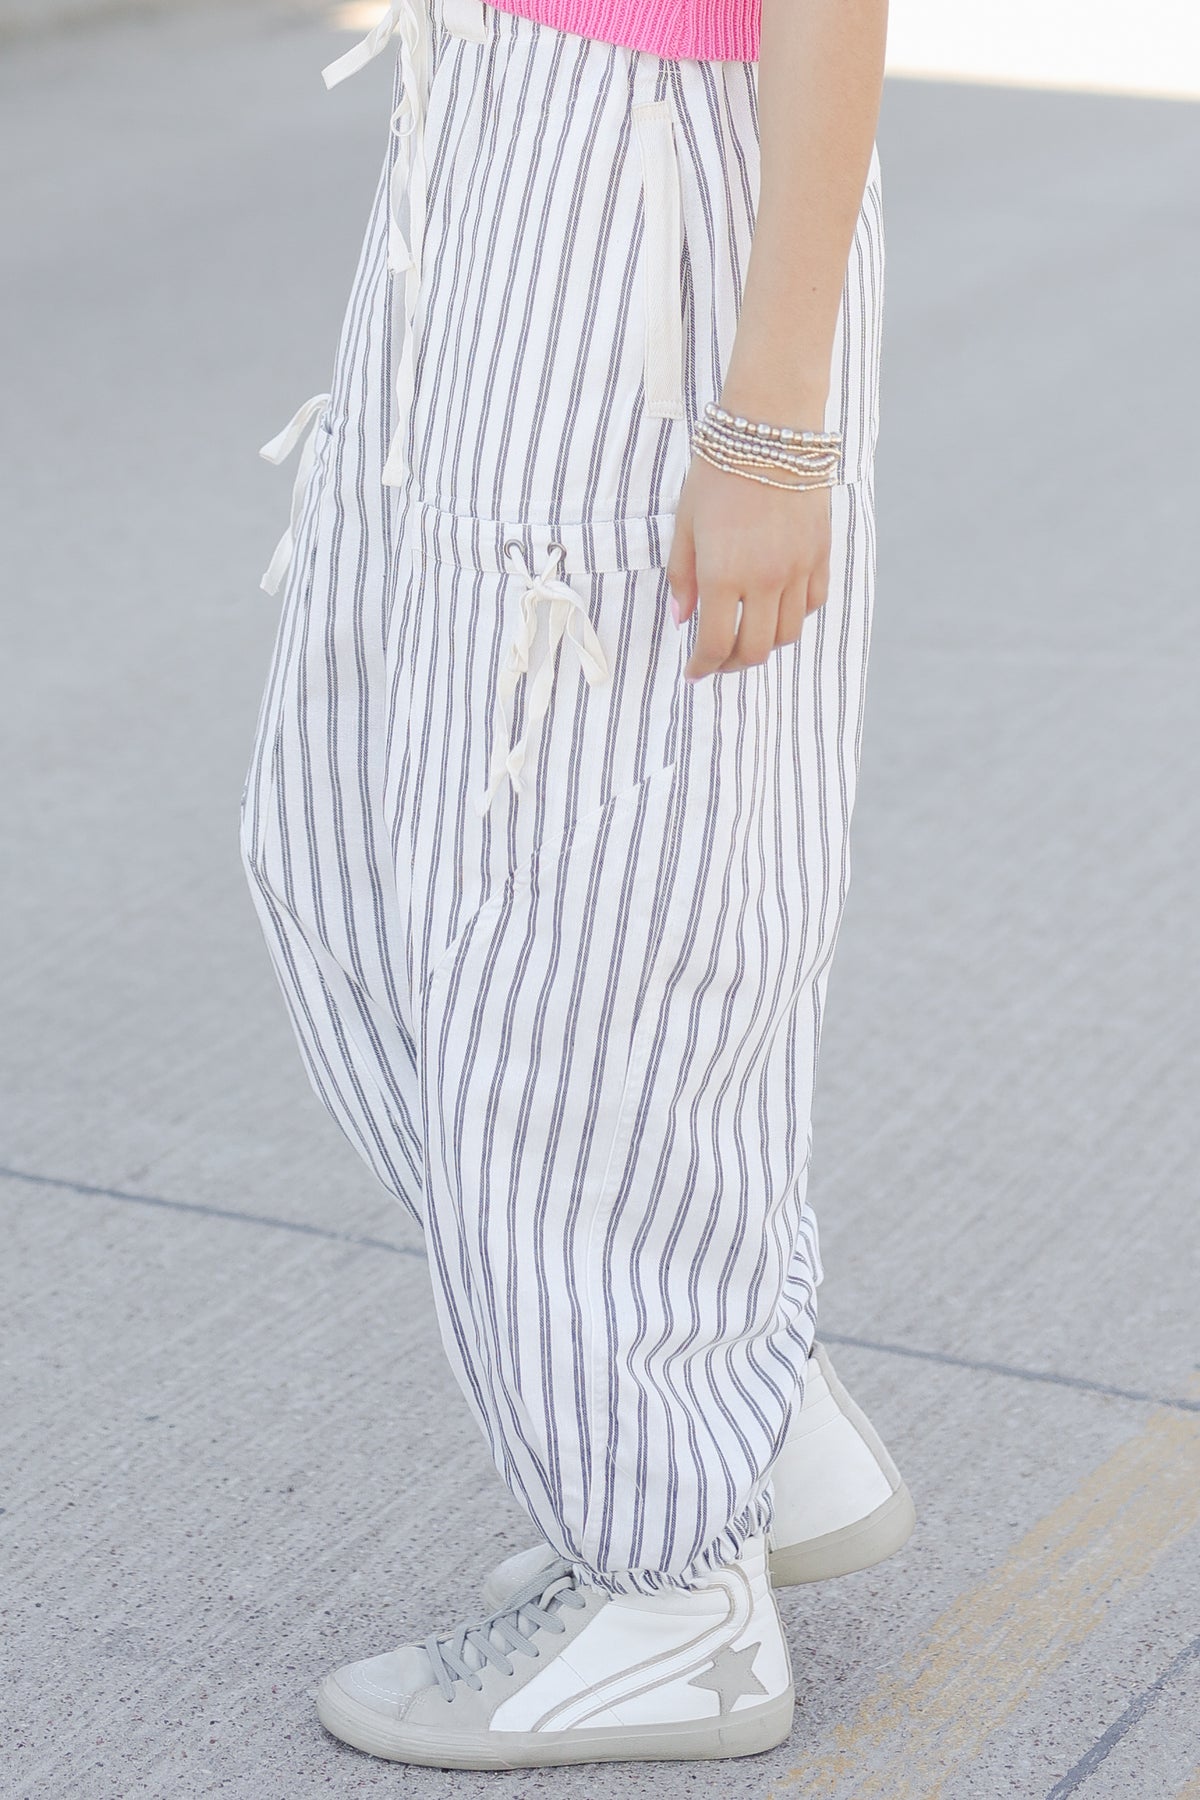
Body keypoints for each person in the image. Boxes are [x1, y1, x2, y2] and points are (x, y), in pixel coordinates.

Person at [241, 0, 903, 1770]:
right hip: (483, 124)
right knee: (337, 837)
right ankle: (731, 1404)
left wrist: (772, 420)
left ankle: (673, 1593)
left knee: (580, 917)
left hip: (647, 173)